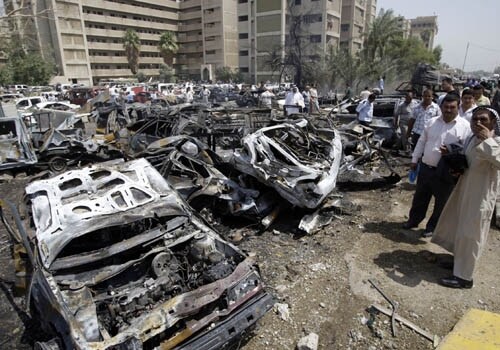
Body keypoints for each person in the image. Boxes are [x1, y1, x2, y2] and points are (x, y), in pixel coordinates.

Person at [432, 106, 500, 289]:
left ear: (493, 122)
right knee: (460, 228)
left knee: (471, 235)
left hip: (480, 197)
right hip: (465, 190)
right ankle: (458, 263)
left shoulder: (496, 141)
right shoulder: (472, 139)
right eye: (475, 119)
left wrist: (489, 140)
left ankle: (464, 277)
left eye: (483, 119)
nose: (478, 123)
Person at [403, 94, 471, 237]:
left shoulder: (465, 127)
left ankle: (432, 227)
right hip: (426, 167)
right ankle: (413, 220)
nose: (448, 110)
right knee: (420, 197)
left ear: (457, 107)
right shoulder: (432, 122)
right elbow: (422, 141)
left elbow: (466, 151)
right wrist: (415, 160)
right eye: (446, 107)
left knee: (441, 202)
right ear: (441, 107)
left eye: (452, 107)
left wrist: (451, 152)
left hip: (446, 171)